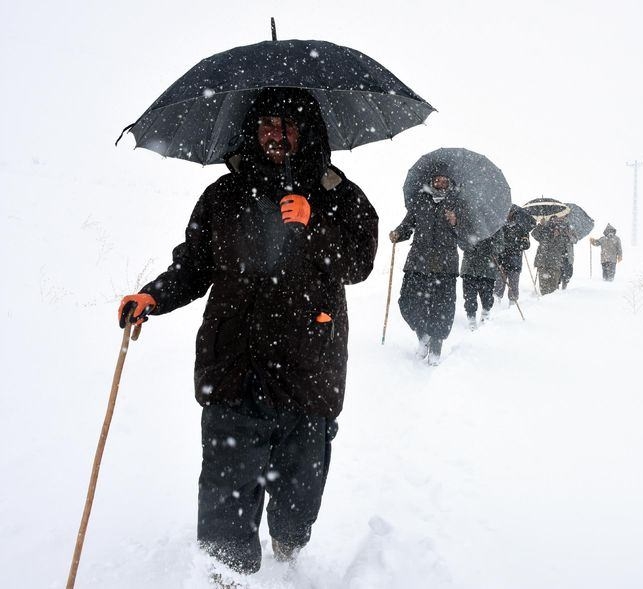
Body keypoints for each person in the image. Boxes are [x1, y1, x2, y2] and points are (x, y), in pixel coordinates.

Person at [117, 88, 379, 576]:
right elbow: (194, 265)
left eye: (287, 127)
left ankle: (288, 542)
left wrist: (314, 219)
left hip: (308, 367)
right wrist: (153, 296)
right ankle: (227, 574)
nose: (275, 137)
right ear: (251, 133)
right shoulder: (223, 195)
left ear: (308, 132)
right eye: (265, 127)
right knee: (226, 487)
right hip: (234, 361)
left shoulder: (337, 192)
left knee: (300, 489)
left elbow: (360, 262)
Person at [389, 172, 459, 366]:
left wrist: (456, 221)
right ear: (431, 181)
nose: (441, 183)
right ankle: (424, 335)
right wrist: (398, 233)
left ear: (450, 183)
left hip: (446, 265)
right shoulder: (420, 201)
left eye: (445, 180)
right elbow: (407, 225)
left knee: (442, 308)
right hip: (418, 263)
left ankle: (436, 345)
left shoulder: (458, 203)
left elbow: (469, 234)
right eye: (437, 179)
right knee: (408, 302)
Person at [461, 229, 505, 330]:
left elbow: (500, 246)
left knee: (487, 296)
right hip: (469, 267)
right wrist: (472, 244)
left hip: (487, 268)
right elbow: (462, 243)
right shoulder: (468, 223)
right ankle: (471, 318)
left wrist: (490, 246)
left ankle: (485, 316)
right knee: (469, 297)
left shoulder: (495, 226)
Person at [494, 205, 532, 305]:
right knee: (499, 284)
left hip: (515, 261)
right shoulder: (500, 227)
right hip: (501, 260)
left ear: (514, 213)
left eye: (510, 212)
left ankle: (513, 304)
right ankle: (496, 305)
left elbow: (526, 245)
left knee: (514, 285)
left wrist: (520, 243)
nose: (508, 214)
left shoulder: (522, 228)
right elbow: (496, 242)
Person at [531, 215, 572, 295]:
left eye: (556, 220)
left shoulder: (562, 231)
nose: (554, 221)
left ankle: (552, 304)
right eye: (552, 220)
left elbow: (565, 245)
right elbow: (534, 234)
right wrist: (540, 225)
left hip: (555, 263)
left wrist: (563, 234)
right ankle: (544, 302)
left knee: (553, 288)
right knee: (543, 286)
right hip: (542, 262)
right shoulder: (543, 230)